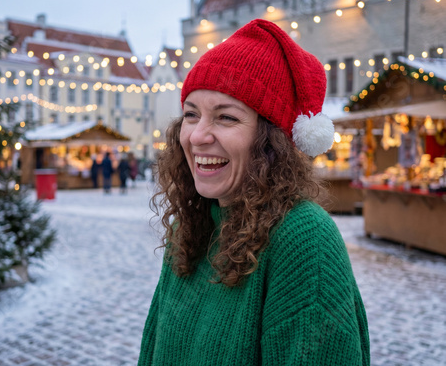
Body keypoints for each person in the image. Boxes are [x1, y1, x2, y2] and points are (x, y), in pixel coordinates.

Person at [138, 19, 370, 365]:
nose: (198, 135)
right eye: (191, 114)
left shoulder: (304, 238)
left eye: (226, 118)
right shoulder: (190, 226)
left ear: (270, 141)